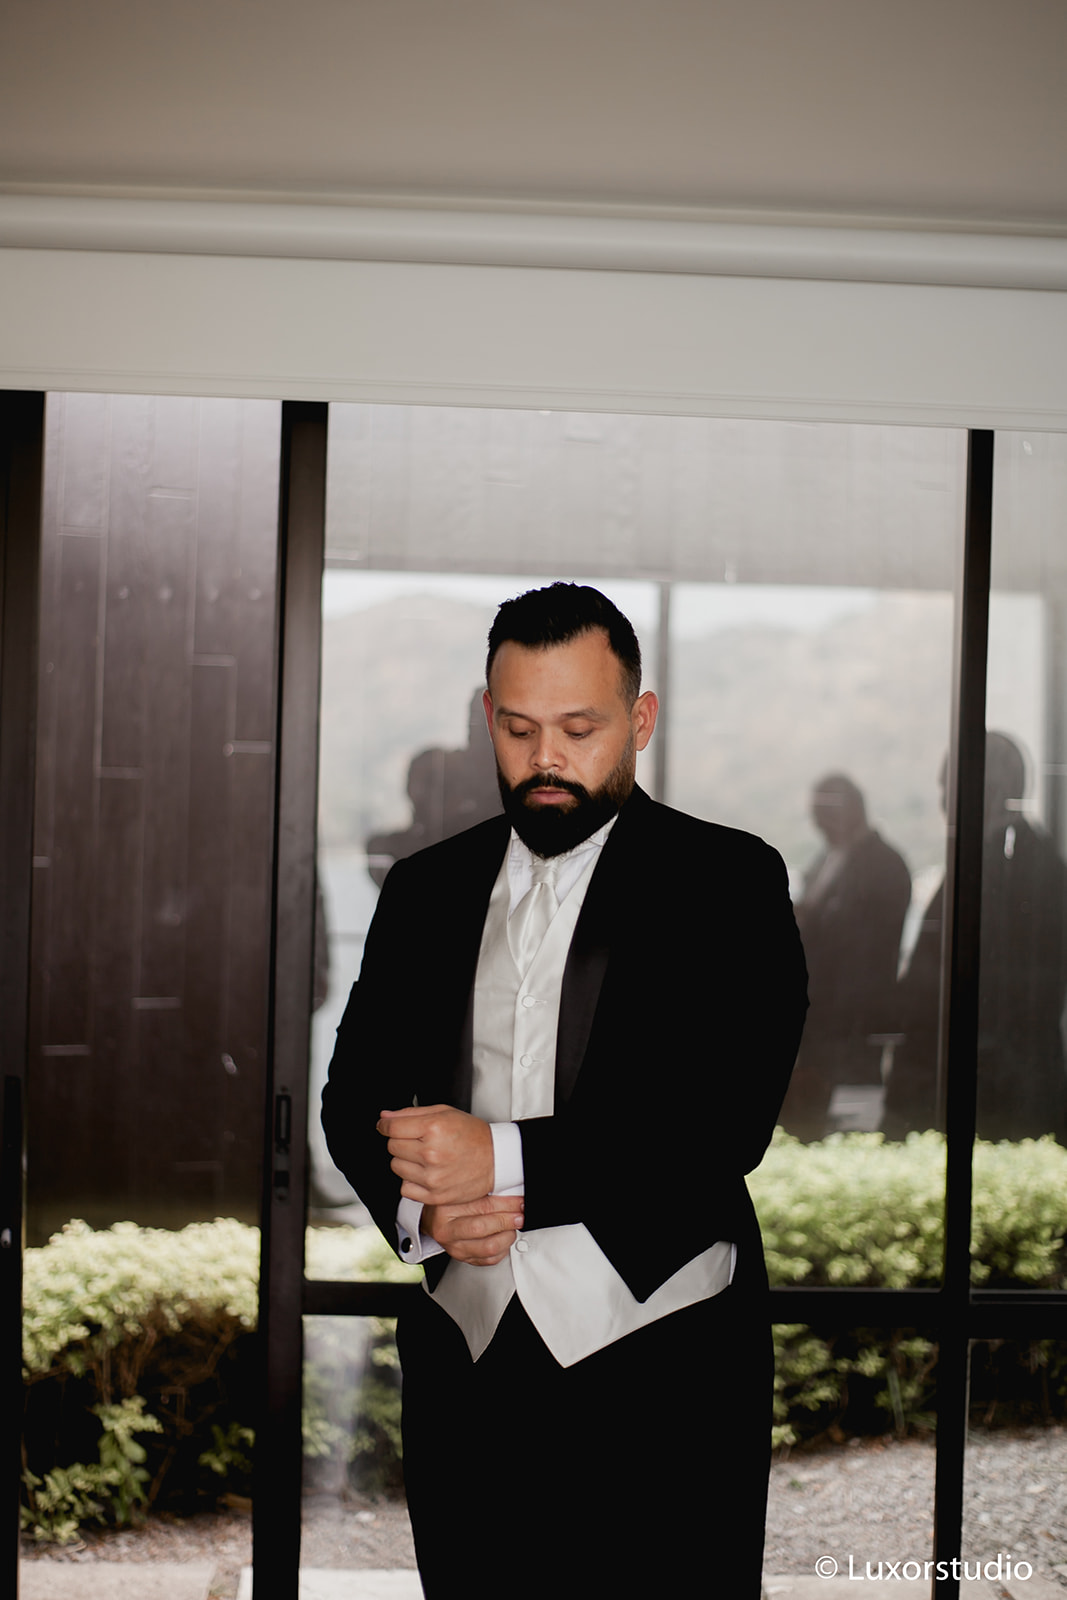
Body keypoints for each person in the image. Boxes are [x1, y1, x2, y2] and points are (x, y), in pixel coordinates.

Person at [322, 583, 808, 1598]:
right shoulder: (421, 888)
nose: (546, 759)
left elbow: (724, 1121)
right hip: (464, 1370)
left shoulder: (732, 880)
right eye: (518, 728)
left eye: (579, 729)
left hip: (666, 1367)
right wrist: (425, 1214)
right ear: (486, 718)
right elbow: (352, 1093)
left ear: (640, 719)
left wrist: (496, 1158)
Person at [883, 733, 1067, 1143]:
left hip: (991, 1087)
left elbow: (1008, 988)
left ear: (991, 788)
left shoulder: (1011, 867)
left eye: (948, 786)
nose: (943, 801)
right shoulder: (1012, 859)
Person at [778, 774, 911, 1140]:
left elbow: (865, 950)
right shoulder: (829, 857)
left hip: (851, 1021)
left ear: (851, 809)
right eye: (815, 814)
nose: (818, 823)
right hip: (824, 1018)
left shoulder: (884, 866)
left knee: (849, 1124)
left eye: (825, 812)